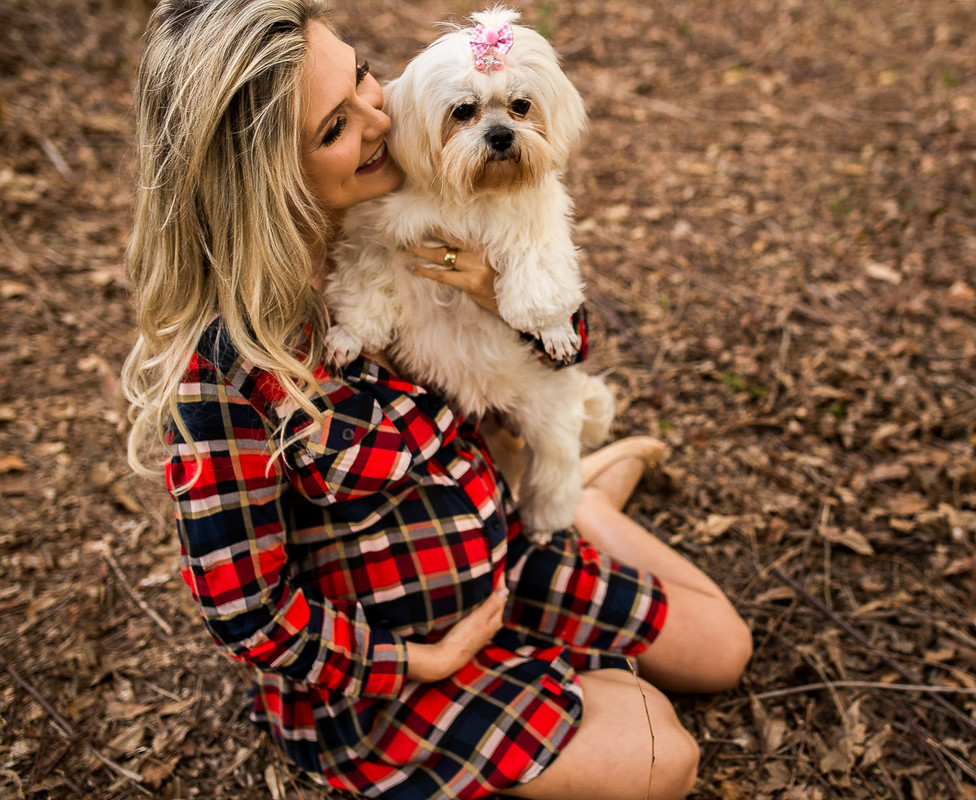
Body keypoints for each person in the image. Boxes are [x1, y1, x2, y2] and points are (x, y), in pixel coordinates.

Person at [120, 1, 752, 798]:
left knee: (723, 651)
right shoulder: (229, 368)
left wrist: (494, 294)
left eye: (362, 77)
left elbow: (563, 342)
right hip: (398, 672)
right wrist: (420, 662)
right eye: (335, 127)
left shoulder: (429, 190)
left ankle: (580, 503)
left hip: (504, 550)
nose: (381, 118)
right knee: (658, 752)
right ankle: (579, 529)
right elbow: (246, 609)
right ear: (260, 176)